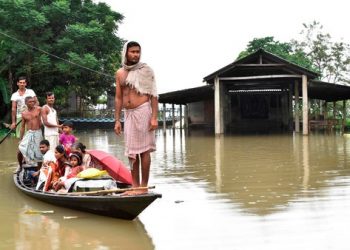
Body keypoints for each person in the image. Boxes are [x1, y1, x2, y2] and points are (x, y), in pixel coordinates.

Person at [114, 41, 158, 194]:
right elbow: (118, 98)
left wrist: (154, 117)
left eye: (138, 52)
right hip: (129, 114)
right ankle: (135, 186)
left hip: (143, 111)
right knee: (132, 152)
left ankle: (143, 187)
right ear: (126, 53)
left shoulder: (146, 70)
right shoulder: (120, 73)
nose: (135, 54)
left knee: (144, 151)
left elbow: (153, 95)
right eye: (132, 51)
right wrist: (117, 120)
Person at [18, 96, 43, 170]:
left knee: (39, 152)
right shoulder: (24, 113)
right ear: (26, 103)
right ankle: (20, 166)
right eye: (30, 102)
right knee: (20, 150)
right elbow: (22, 127)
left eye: (33, 101)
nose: (32, 103)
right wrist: (20, 139)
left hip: (38, 132)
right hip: (29, 133)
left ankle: (39, 169)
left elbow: (44, 118)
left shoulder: (39, 109)